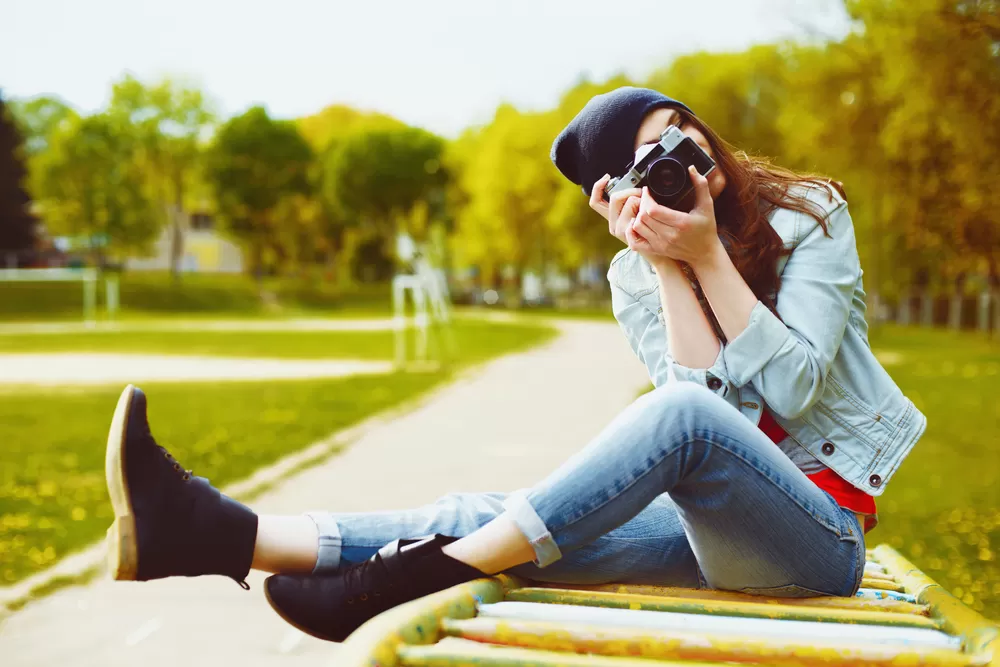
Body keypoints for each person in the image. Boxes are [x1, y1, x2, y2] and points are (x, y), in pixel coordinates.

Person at [103, 87, 926, 643]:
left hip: (821, 539)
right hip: (715, 535)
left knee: (671, 421)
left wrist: (707, 254)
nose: (681, 156)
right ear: (622, 196)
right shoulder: (635, 277)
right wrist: (669, 265)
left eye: (679, 131)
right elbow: (716, 427)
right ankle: (212, 531)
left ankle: (421, 573)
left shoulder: (809, 213)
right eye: (650, 162)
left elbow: (788, 390)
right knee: (489, 511)